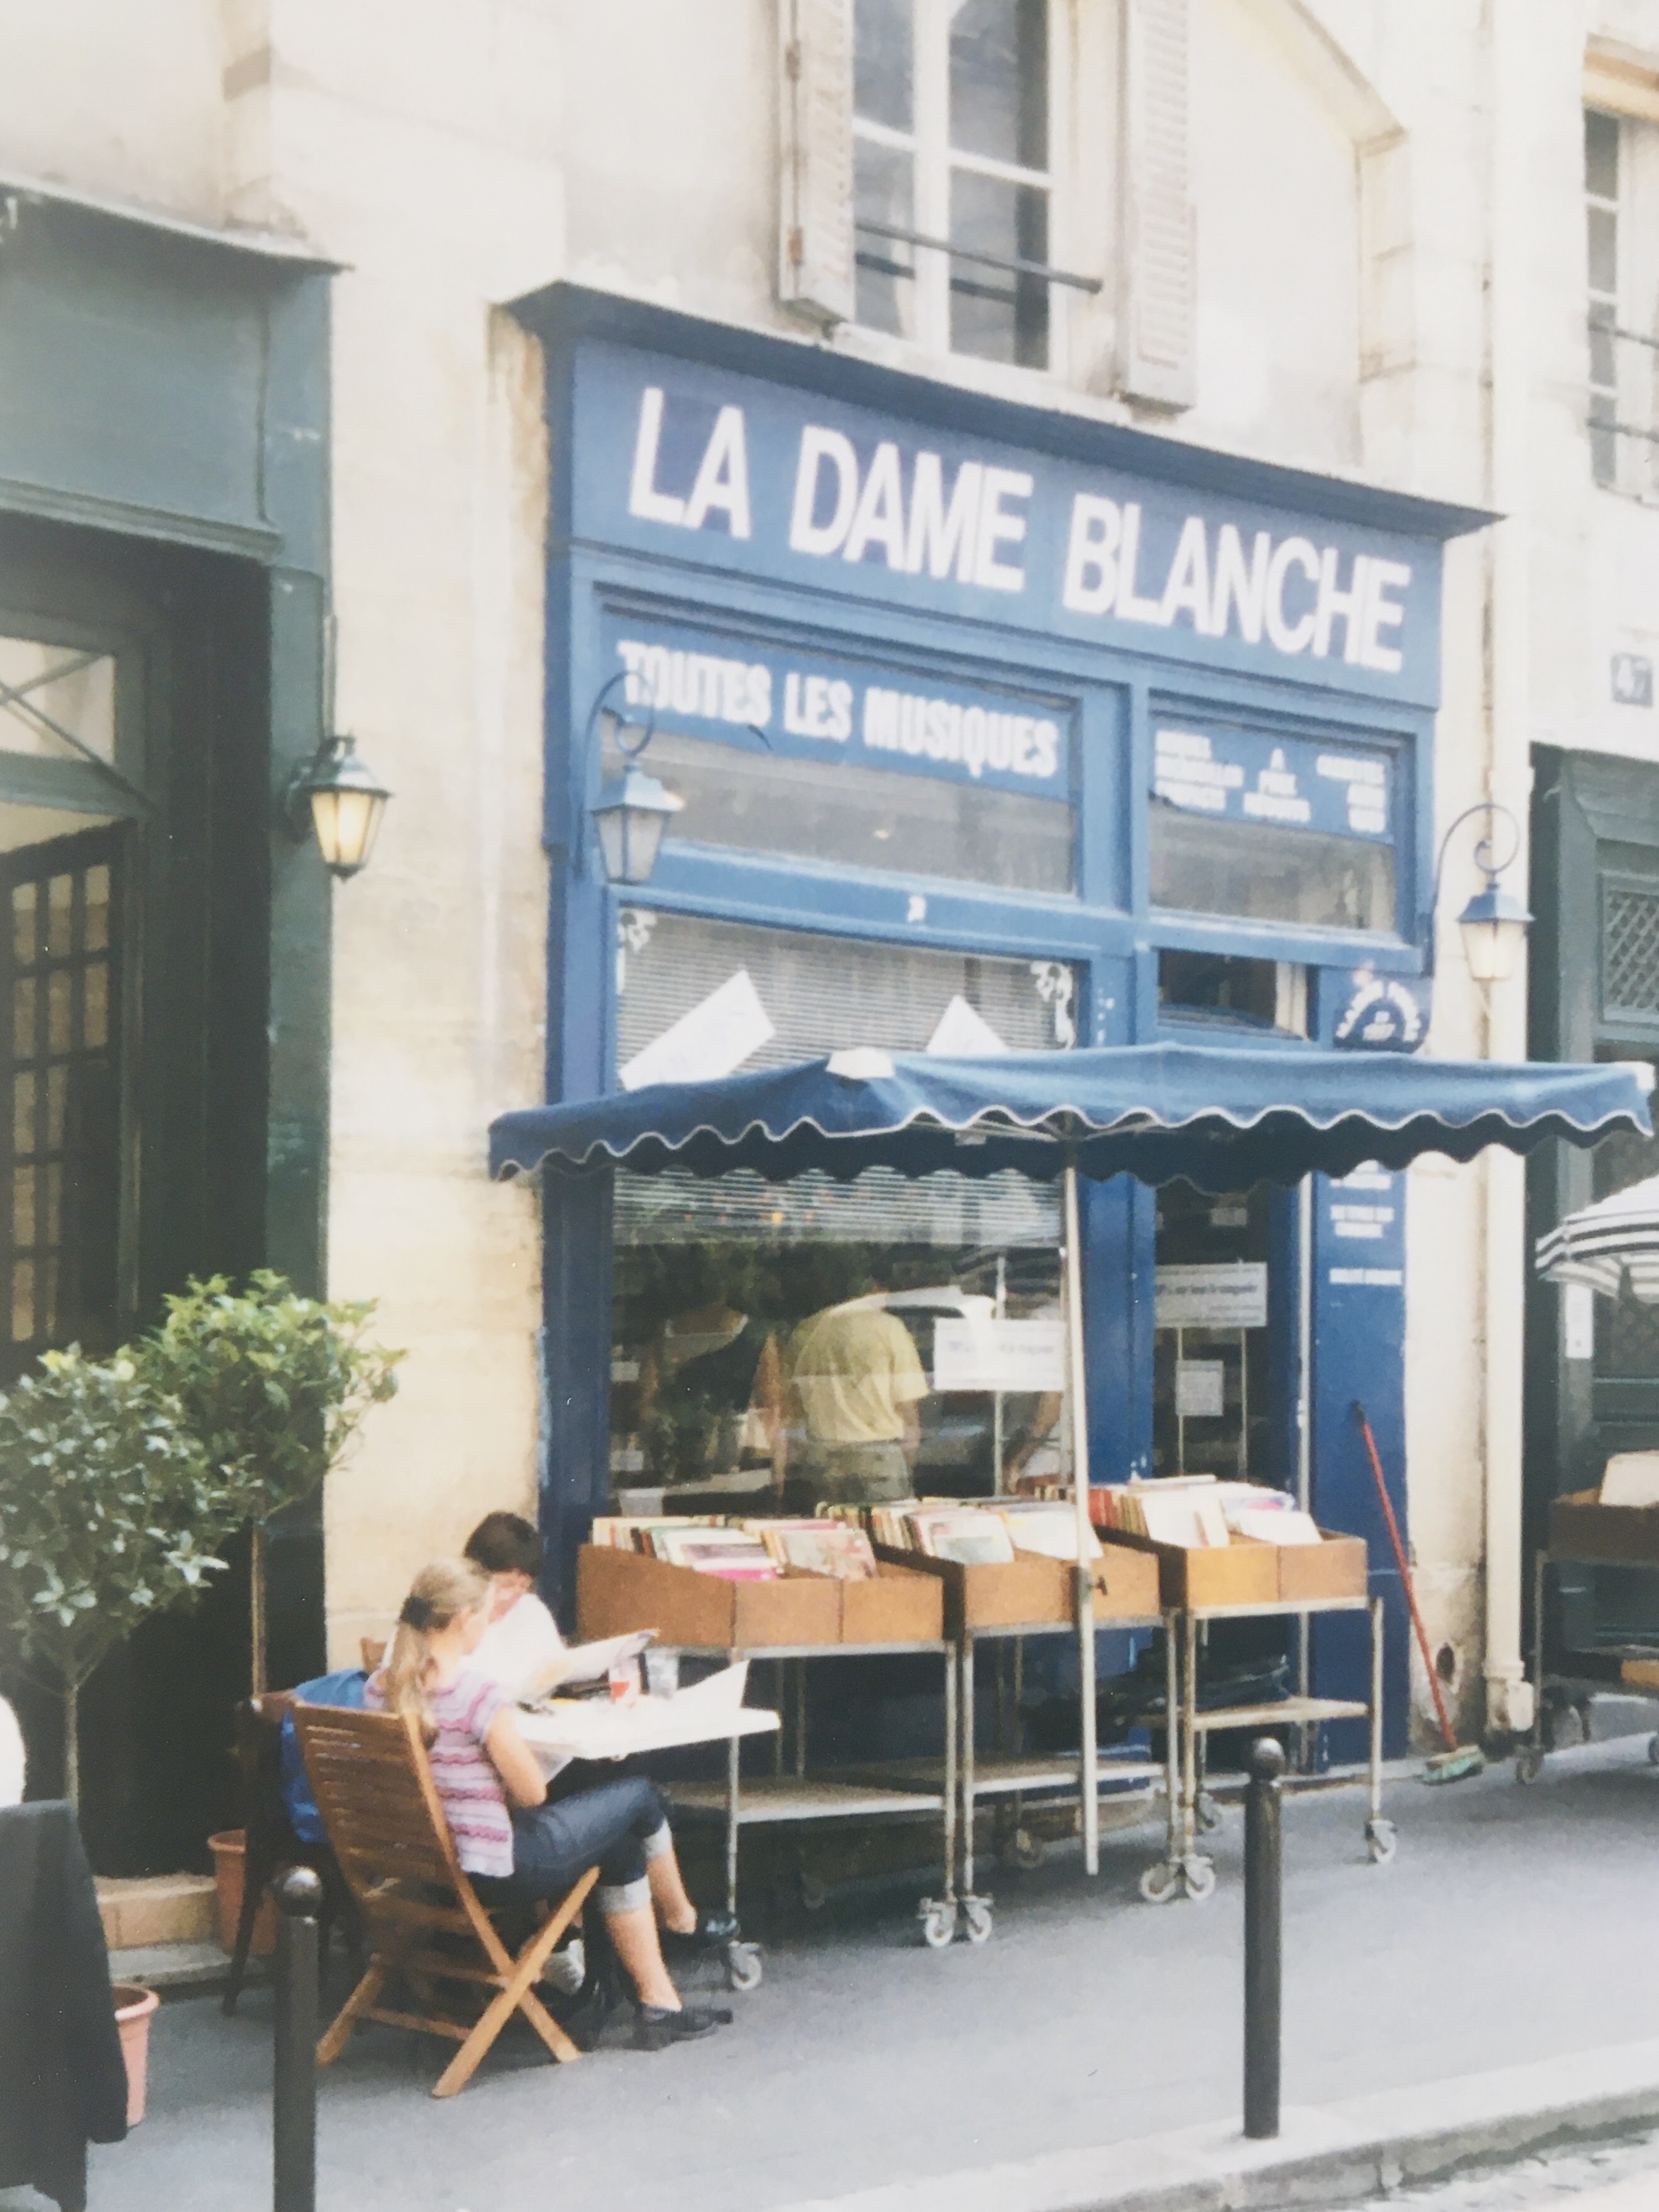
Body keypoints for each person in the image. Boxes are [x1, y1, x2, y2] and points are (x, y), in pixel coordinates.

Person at [367, 1558, 735, 2048]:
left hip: (428, 1864)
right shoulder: (476, 1693)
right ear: (462, 1619)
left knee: (621, 1845)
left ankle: (658, 2002)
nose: (487, 1624)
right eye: (484, 1614)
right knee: (640, 1793)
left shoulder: (383, 1686)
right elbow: (532, 1793)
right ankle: (682, 1921)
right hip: (499, 1867)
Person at [784, 1290, 929, 1504]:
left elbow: (794, 1399)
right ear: (874, 1290)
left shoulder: (809, 1330)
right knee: (884, 1523)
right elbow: (907, 1408)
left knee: (831, 1524)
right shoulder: (889, 1328)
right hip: (877, 1455)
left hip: (823, 1453)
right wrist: (907, 1464)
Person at [463, 1511, 566, 1698]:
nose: (513, 1596)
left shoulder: (532, 1611)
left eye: (524, 1586)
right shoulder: (451, 1618)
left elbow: (558, 1668)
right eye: (506, 1585)